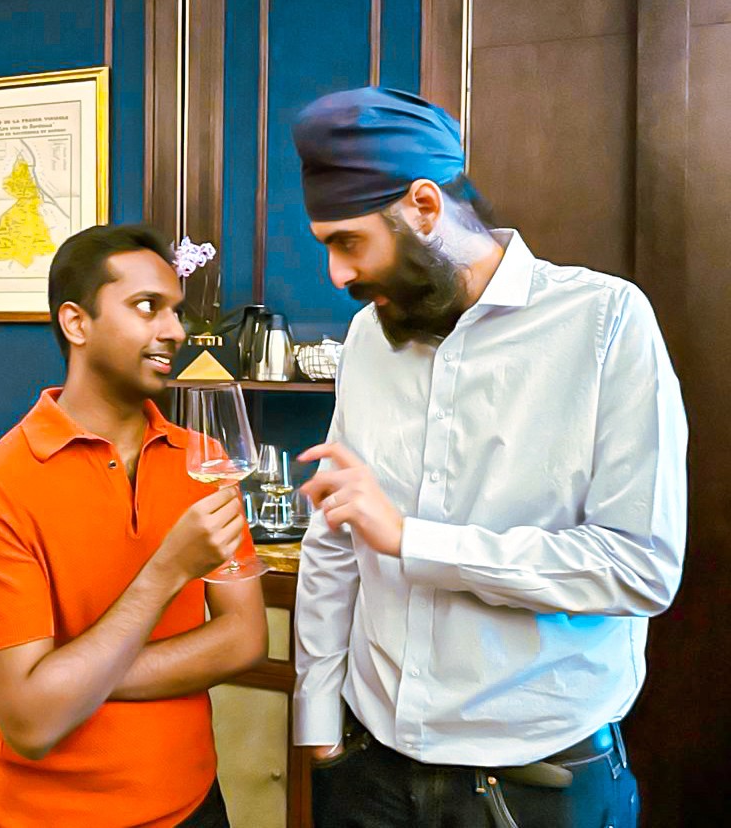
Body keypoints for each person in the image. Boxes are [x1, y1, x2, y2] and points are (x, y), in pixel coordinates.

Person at [289, 87, 687, 827]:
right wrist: (317, 724)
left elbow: (639, 566)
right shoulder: (369, 339)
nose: (336, 276)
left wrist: (412, 541)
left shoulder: (606, 322)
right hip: (367, 769)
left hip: (535, 790)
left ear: (424, 207)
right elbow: (335, 537)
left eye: (347, 243)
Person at [0, 224, 269, 828]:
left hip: (196, 803)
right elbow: (32, 725)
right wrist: (167, 571)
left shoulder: (204, 461)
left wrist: (71, 683)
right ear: (76, 323)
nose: (175, 331)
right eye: (147, 307)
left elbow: (245, 639)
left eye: (175, 311)